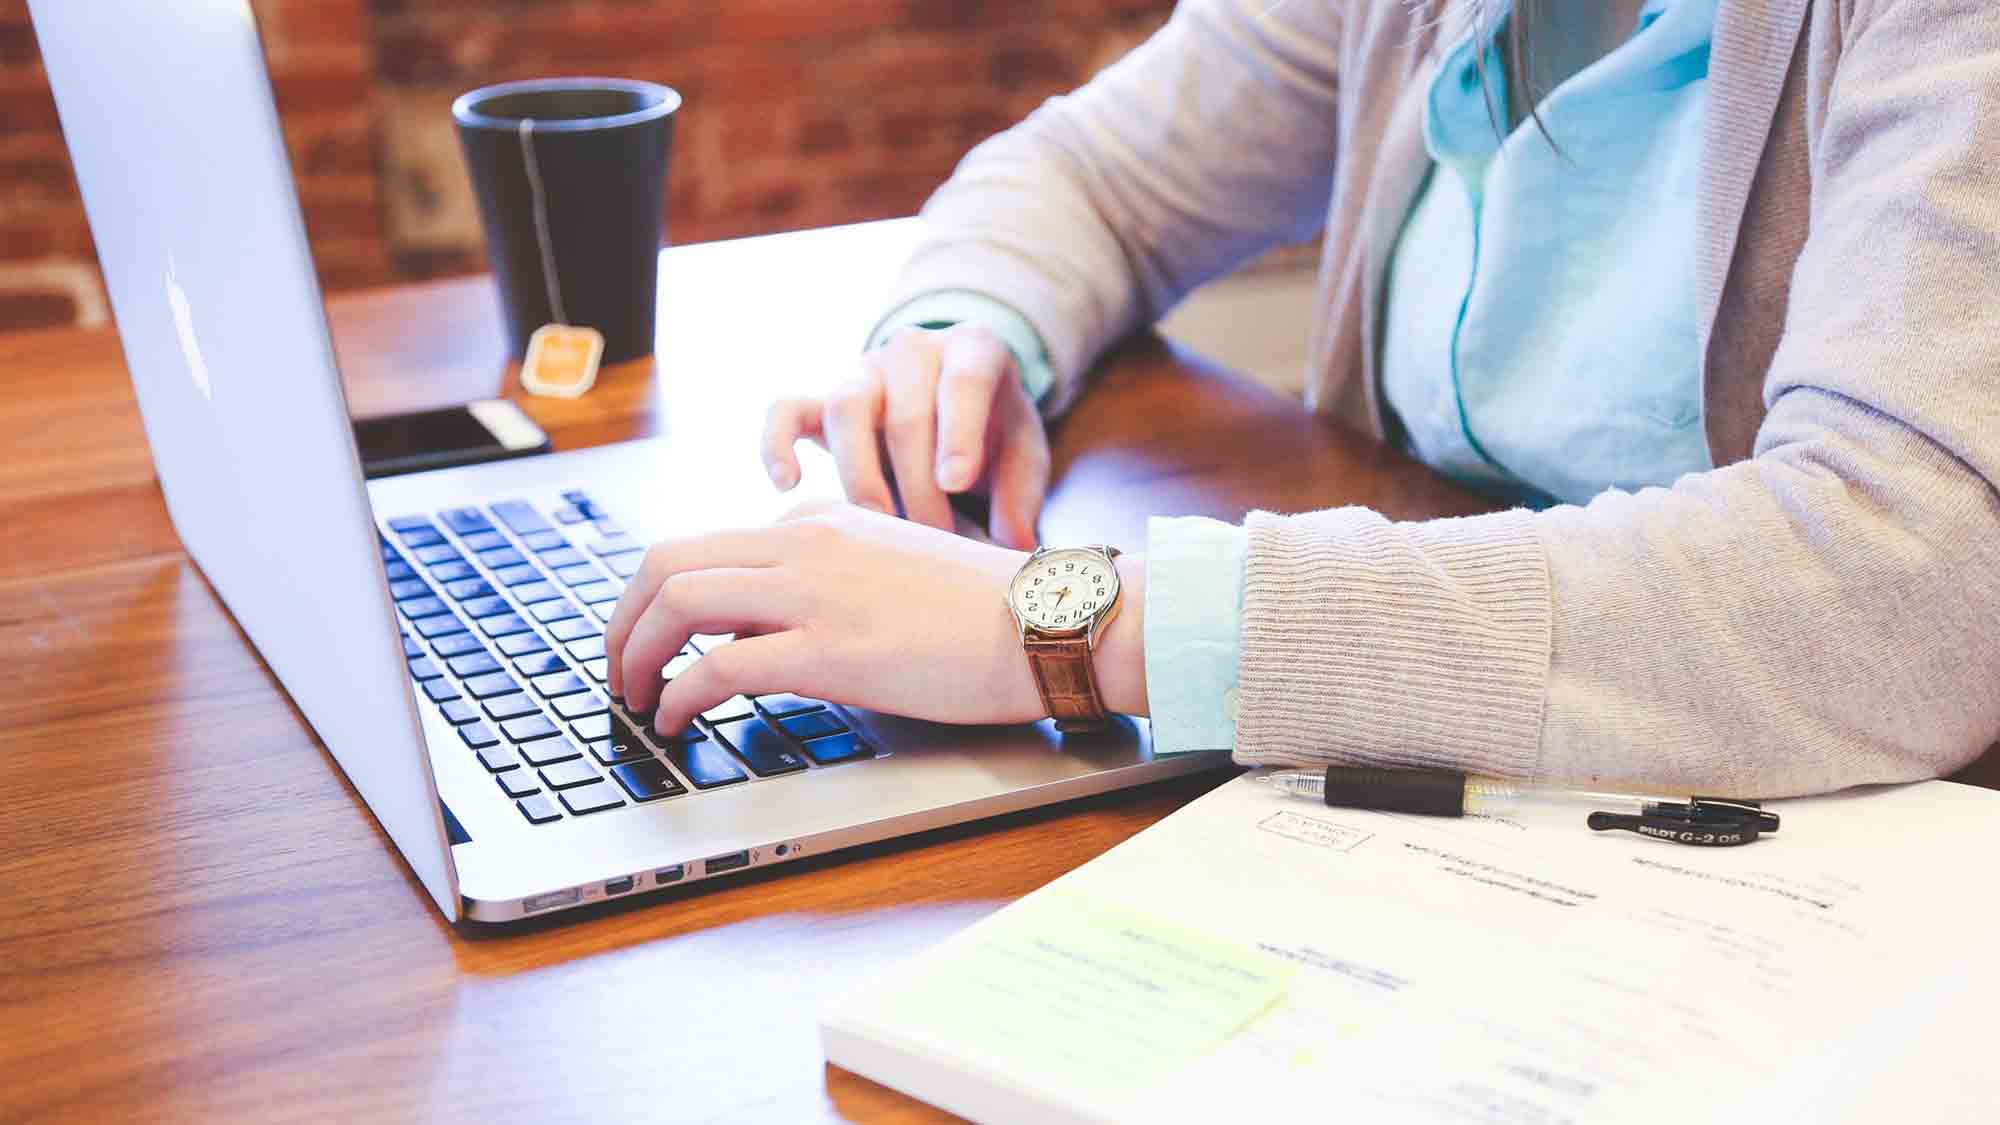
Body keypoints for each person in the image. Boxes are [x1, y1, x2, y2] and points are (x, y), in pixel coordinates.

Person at [606, 0, 2000, 797]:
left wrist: (1074, 627)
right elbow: (1095, 174)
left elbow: (1910, 575)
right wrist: (960, 336)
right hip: (1440, 804)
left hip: (1801, 855)